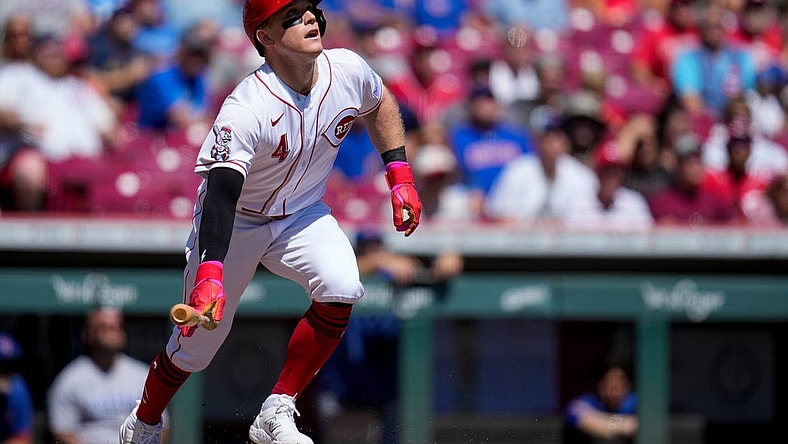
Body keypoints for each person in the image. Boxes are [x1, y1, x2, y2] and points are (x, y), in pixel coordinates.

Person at [118, 1, 422, 443]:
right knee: (197, 348)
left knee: (342, 284)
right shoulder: (247, 105)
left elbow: (380, 103)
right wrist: (210, 271)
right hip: (237, 217)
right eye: (293, 16)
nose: (311, 19)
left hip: (302, 212)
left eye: (311, 10)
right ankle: (144, 422)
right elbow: (222, 192)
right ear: (267, 37)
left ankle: (277, 408)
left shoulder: (348, 69)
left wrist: (399, 173)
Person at [48, 308, 162, 444]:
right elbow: (61, 431)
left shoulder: (142, 375)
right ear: (87, 333)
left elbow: (161, 426)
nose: (112, 332)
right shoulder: (70, 379)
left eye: (116, 327)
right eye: (104, 327)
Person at [671, 1, 757, 118]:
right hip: (703, 123)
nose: (714, 31)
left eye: (718, 26)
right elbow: (691, 104)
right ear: (701, 27)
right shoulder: (687, 59)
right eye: (709, 26)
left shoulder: (741, 57)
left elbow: (747, 96)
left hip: (735, 120)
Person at [564, 361, 638, 444]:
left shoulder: (636, 402)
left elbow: (649, 422)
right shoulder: (590, 400)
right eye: (608, 386)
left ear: (628, 386)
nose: (613, 393)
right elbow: (574, 411)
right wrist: (623, 425)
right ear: (599, 385)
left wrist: (600, 421)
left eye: (618, 387)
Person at [0, 332, 34, 444]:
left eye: (11, 366)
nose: (6, 373)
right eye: (1, 366)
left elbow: (23, 437)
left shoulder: (17, 388)